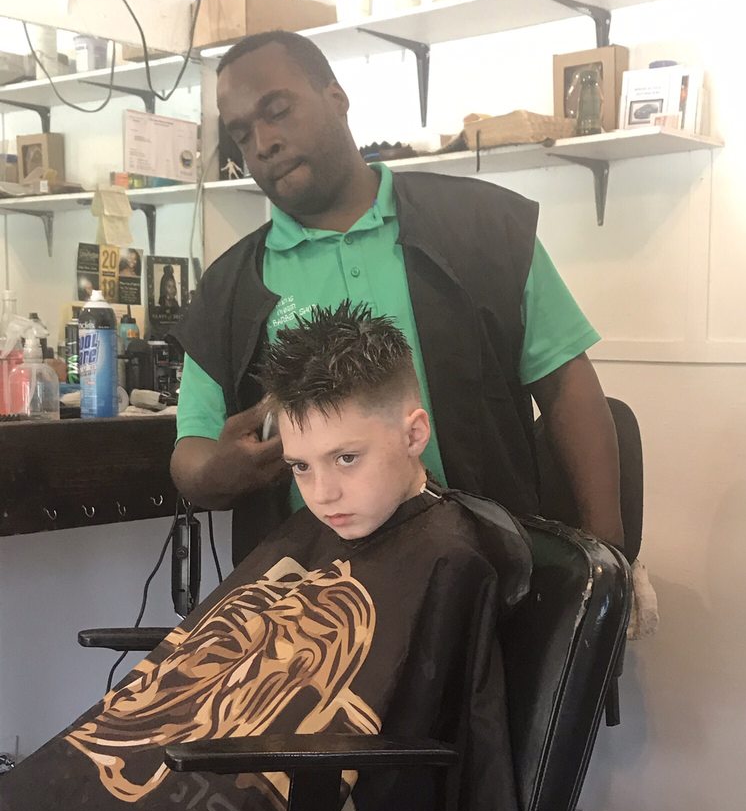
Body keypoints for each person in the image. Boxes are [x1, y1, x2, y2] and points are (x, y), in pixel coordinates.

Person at [0, 304, 545, 811]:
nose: (324, 493)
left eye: (346, 458)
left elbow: (415, 739)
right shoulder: (319, 531)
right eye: (301, 467)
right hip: (174, 771)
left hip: (253, 809)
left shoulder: (448, 561)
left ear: (414, 433)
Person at [172, 29, 624, 569]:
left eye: (278, 111)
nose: (263, 143)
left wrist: (611, 562)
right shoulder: (229, 288)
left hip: (491, 576)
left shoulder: (484, 229)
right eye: (242, 134)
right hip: (317, 595)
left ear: (336, 98)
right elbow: (190, 451)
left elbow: (567, 388)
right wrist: (219, 472)